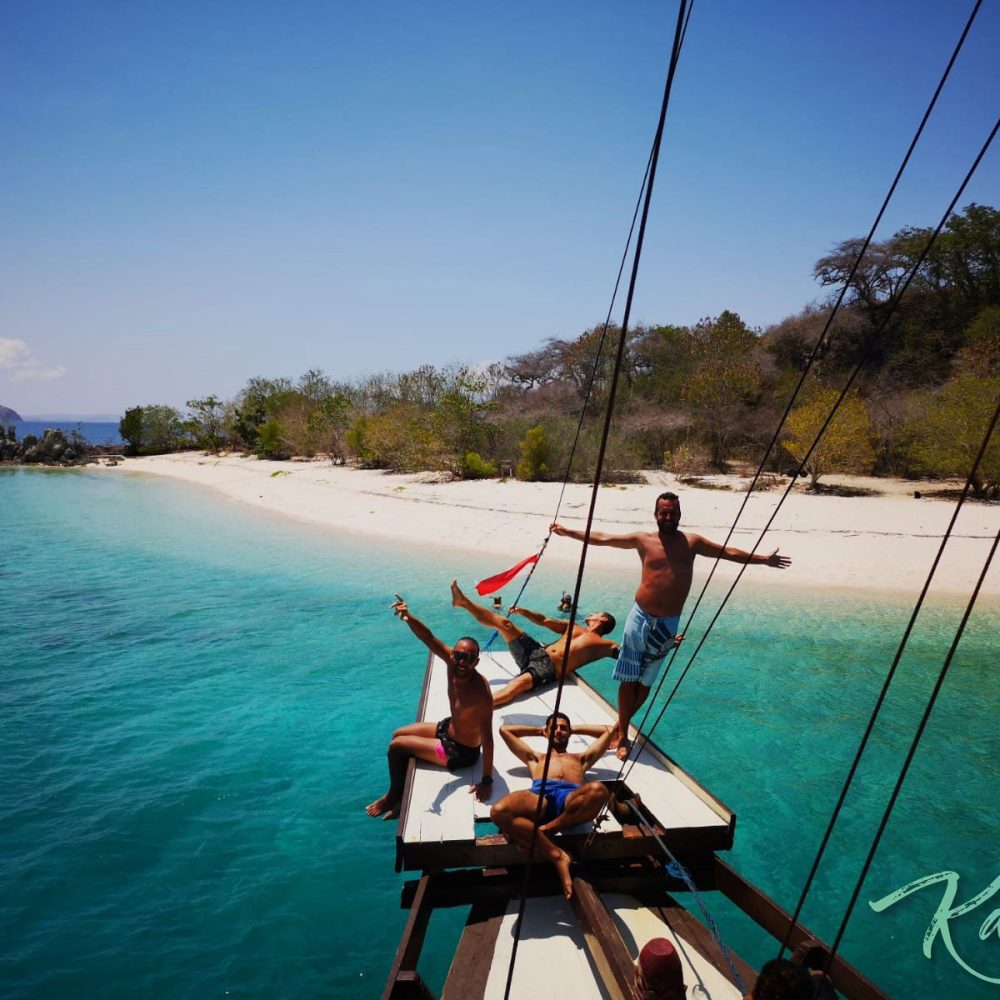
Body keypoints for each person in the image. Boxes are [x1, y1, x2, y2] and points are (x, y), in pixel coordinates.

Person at [552, 491, 791, 760]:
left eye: (672, 512)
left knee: (646, 682)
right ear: (656, 515)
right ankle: (622, 736)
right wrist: (569, 532)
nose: (668, 517)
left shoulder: (692, 542)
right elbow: (603, 538)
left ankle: (620, 726)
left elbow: (727, 552)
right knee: (629, 677)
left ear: (679, 514)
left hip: (667, 625)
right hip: (639, 618)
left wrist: (762, 559)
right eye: (663, 512)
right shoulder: (643, 540)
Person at [365, 594, 494, 820]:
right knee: (397, 733)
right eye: (459, 655)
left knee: (396, 746)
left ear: (476, 662)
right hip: (448, 729)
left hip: (460, 752)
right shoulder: (451, 661)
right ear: (454, 653)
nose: (462, 662)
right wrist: (407, 617)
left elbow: (488, 738)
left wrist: (486, 780)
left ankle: (394, 797)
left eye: (469, 658)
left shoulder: (480, 693)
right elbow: (428, 637)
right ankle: (399, 789)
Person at [490, 713, 616, 899]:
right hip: (540, 795)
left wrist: (573, 729)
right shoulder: (536, 758)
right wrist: (541, 731)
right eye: (554, 728)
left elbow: (607, 731)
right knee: (499, 811)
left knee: (599, 790)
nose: (559, 731)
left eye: (563, 728)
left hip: (570, 799)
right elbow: (505, 730)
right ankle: (557, 855)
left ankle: (544, 831)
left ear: (569, 732)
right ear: (547, 731)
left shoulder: (581, 759)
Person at [449, 580, 617, 707]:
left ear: (603, 619)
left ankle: (476, 706)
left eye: (597, 613)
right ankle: (463, 602)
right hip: (536, 651)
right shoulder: (573, 626)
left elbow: (629, 654)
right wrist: (523, 611)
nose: (592, 613)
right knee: (505, 624)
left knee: (516, 685)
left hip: (548, 668)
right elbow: (544, 620)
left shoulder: (605, 645)